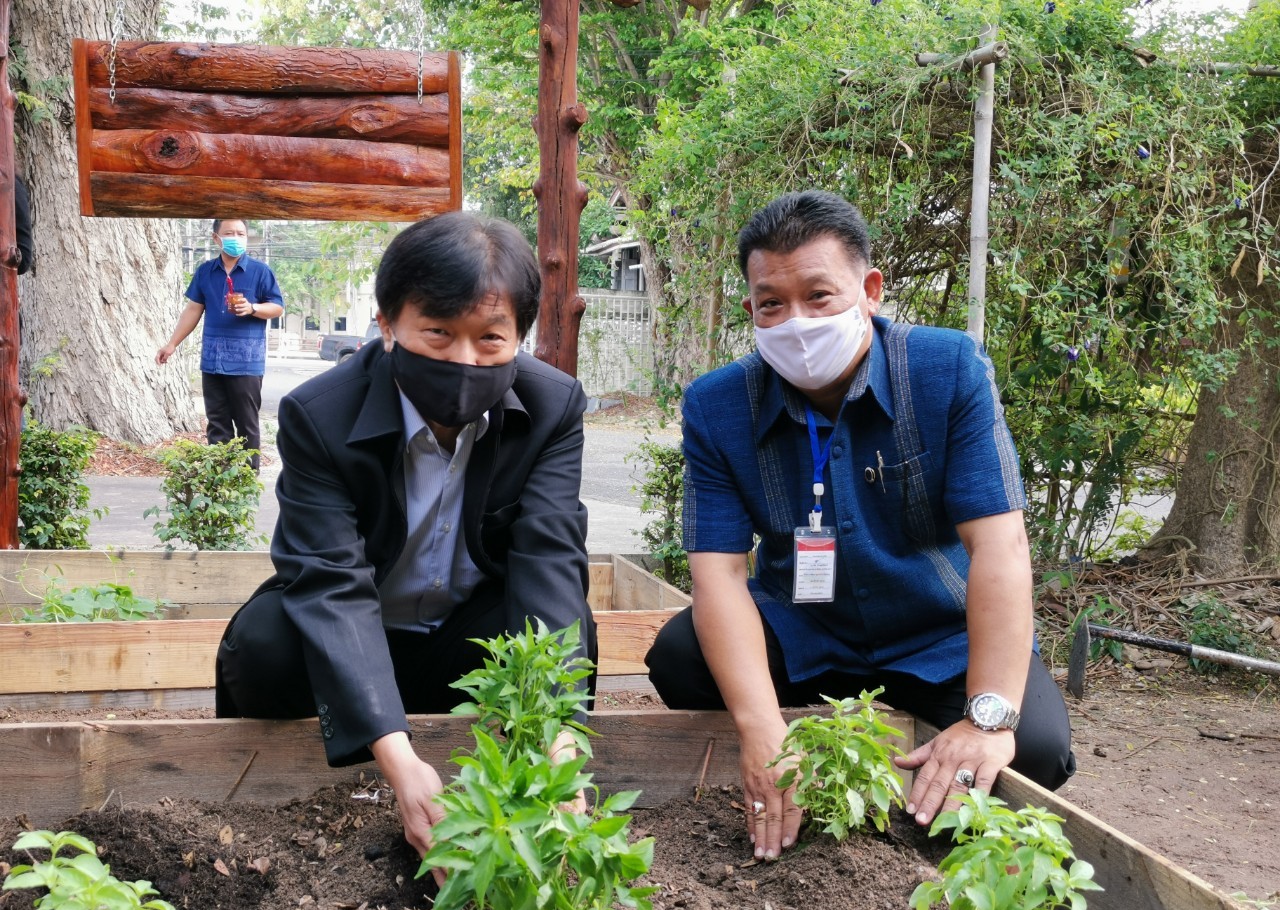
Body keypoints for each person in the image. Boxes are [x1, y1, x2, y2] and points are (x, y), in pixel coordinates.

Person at [646, 190, 1075, 861]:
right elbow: (719, 574)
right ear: (750, 310)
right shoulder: (717, 406)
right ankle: (792, 762)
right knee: (679, 658)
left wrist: (987, 718)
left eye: (819, 295)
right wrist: (760, 728)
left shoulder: (946, 370)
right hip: (806, 630)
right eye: (771, 304)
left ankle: (929, 790)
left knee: (1035, 750)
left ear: (869, 289)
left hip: (938, 636)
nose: (796, 322)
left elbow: (999, 545)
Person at [215, 211, 596, 859]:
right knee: (265, 643)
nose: (464, 360)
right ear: (388, 324)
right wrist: (399, 762)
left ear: (520, 338)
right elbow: (330, 580)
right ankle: (263, 777)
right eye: (438, 333)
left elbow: (549, 560)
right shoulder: (320, 414)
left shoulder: (553, 409)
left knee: (568, 624)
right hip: (355, 639)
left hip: (460, 647)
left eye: (490, 340)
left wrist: (558, 737)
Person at [155, 219, 284, 471]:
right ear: (216, 238)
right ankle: (220, 478)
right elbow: (193, 310)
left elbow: (277, 307)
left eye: (241, 233)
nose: (236, 237)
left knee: (247, 424)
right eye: (229, 233)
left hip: (246, 362)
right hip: (212, 361)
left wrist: (252, 308)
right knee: (217, 423)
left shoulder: (260, 271)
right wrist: (171, 344)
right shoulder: (205, 272)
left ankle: (246, 480)